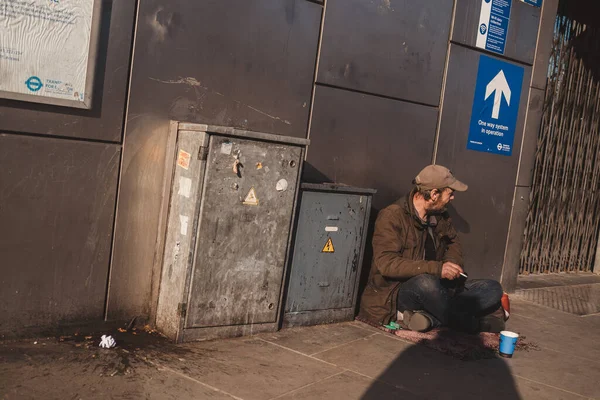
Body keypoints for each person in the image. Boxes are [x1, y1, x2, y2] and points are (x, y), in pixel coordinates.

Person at [358, 164, 505, 333]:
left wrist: (450, 265)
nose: (452, 198)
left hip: (440, 288)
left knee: (493, 288)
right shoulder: (392, 216)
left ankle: (431, 318)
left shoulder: (440, 215)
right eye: (450, 194)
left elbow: (453, 243)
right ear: (434, 194)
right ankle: (473, 324)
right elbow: (387, 264)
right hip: (403, 291)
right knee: (425, 283)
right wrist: (438, 269)